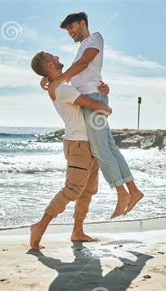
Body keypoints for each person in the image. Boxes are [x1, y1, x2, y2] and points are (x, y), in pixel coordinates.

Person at [42, 12, 144, 219]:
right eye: (67, 29)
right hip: (93, 96)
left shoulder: (94, 37)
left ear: (82, 23)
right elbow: (77, 78)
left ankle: (122, 192)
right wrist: (48, 80)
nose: (69, 32)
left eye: (71, 27)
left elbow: (85, 63)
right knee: (109, 147)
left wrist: (58, 78)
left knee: (100, 149)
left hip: (93, 99)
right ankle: (132, 191)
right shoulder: (80, 48)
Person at [29, 51, 111, 250]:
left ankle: (78, 230)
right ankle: (39, 227)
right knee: (72, 189)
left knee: (88, 190)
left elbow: (85, 85)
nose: (57, 56)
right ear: (49, 64)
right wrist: (105, 106)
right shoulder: (63, 89)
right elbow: (89, 103)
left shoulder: (62, 84)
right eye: (53, 57)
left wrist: (103, 90)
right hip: (78, 144)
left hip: (88, 141)